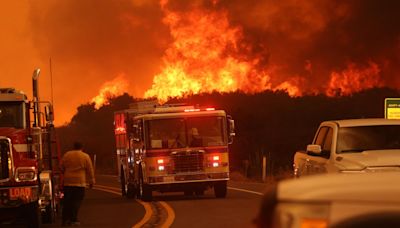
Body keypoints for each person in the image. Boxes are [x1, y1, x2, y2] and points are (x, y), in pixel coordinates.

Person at [61, 142, 95, 226]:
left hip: (68, 182)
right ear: (82, 147)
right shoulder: (85, 156)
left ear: (73, 147)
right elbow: (90, 170)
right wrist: (91, 181)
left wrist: (65, 172)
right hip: (80, 182)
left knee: (67, 201)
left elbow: (61, 166)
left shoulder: (67, 155)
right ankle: (74, 218)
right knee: (77, 201)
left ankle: (65, 219)